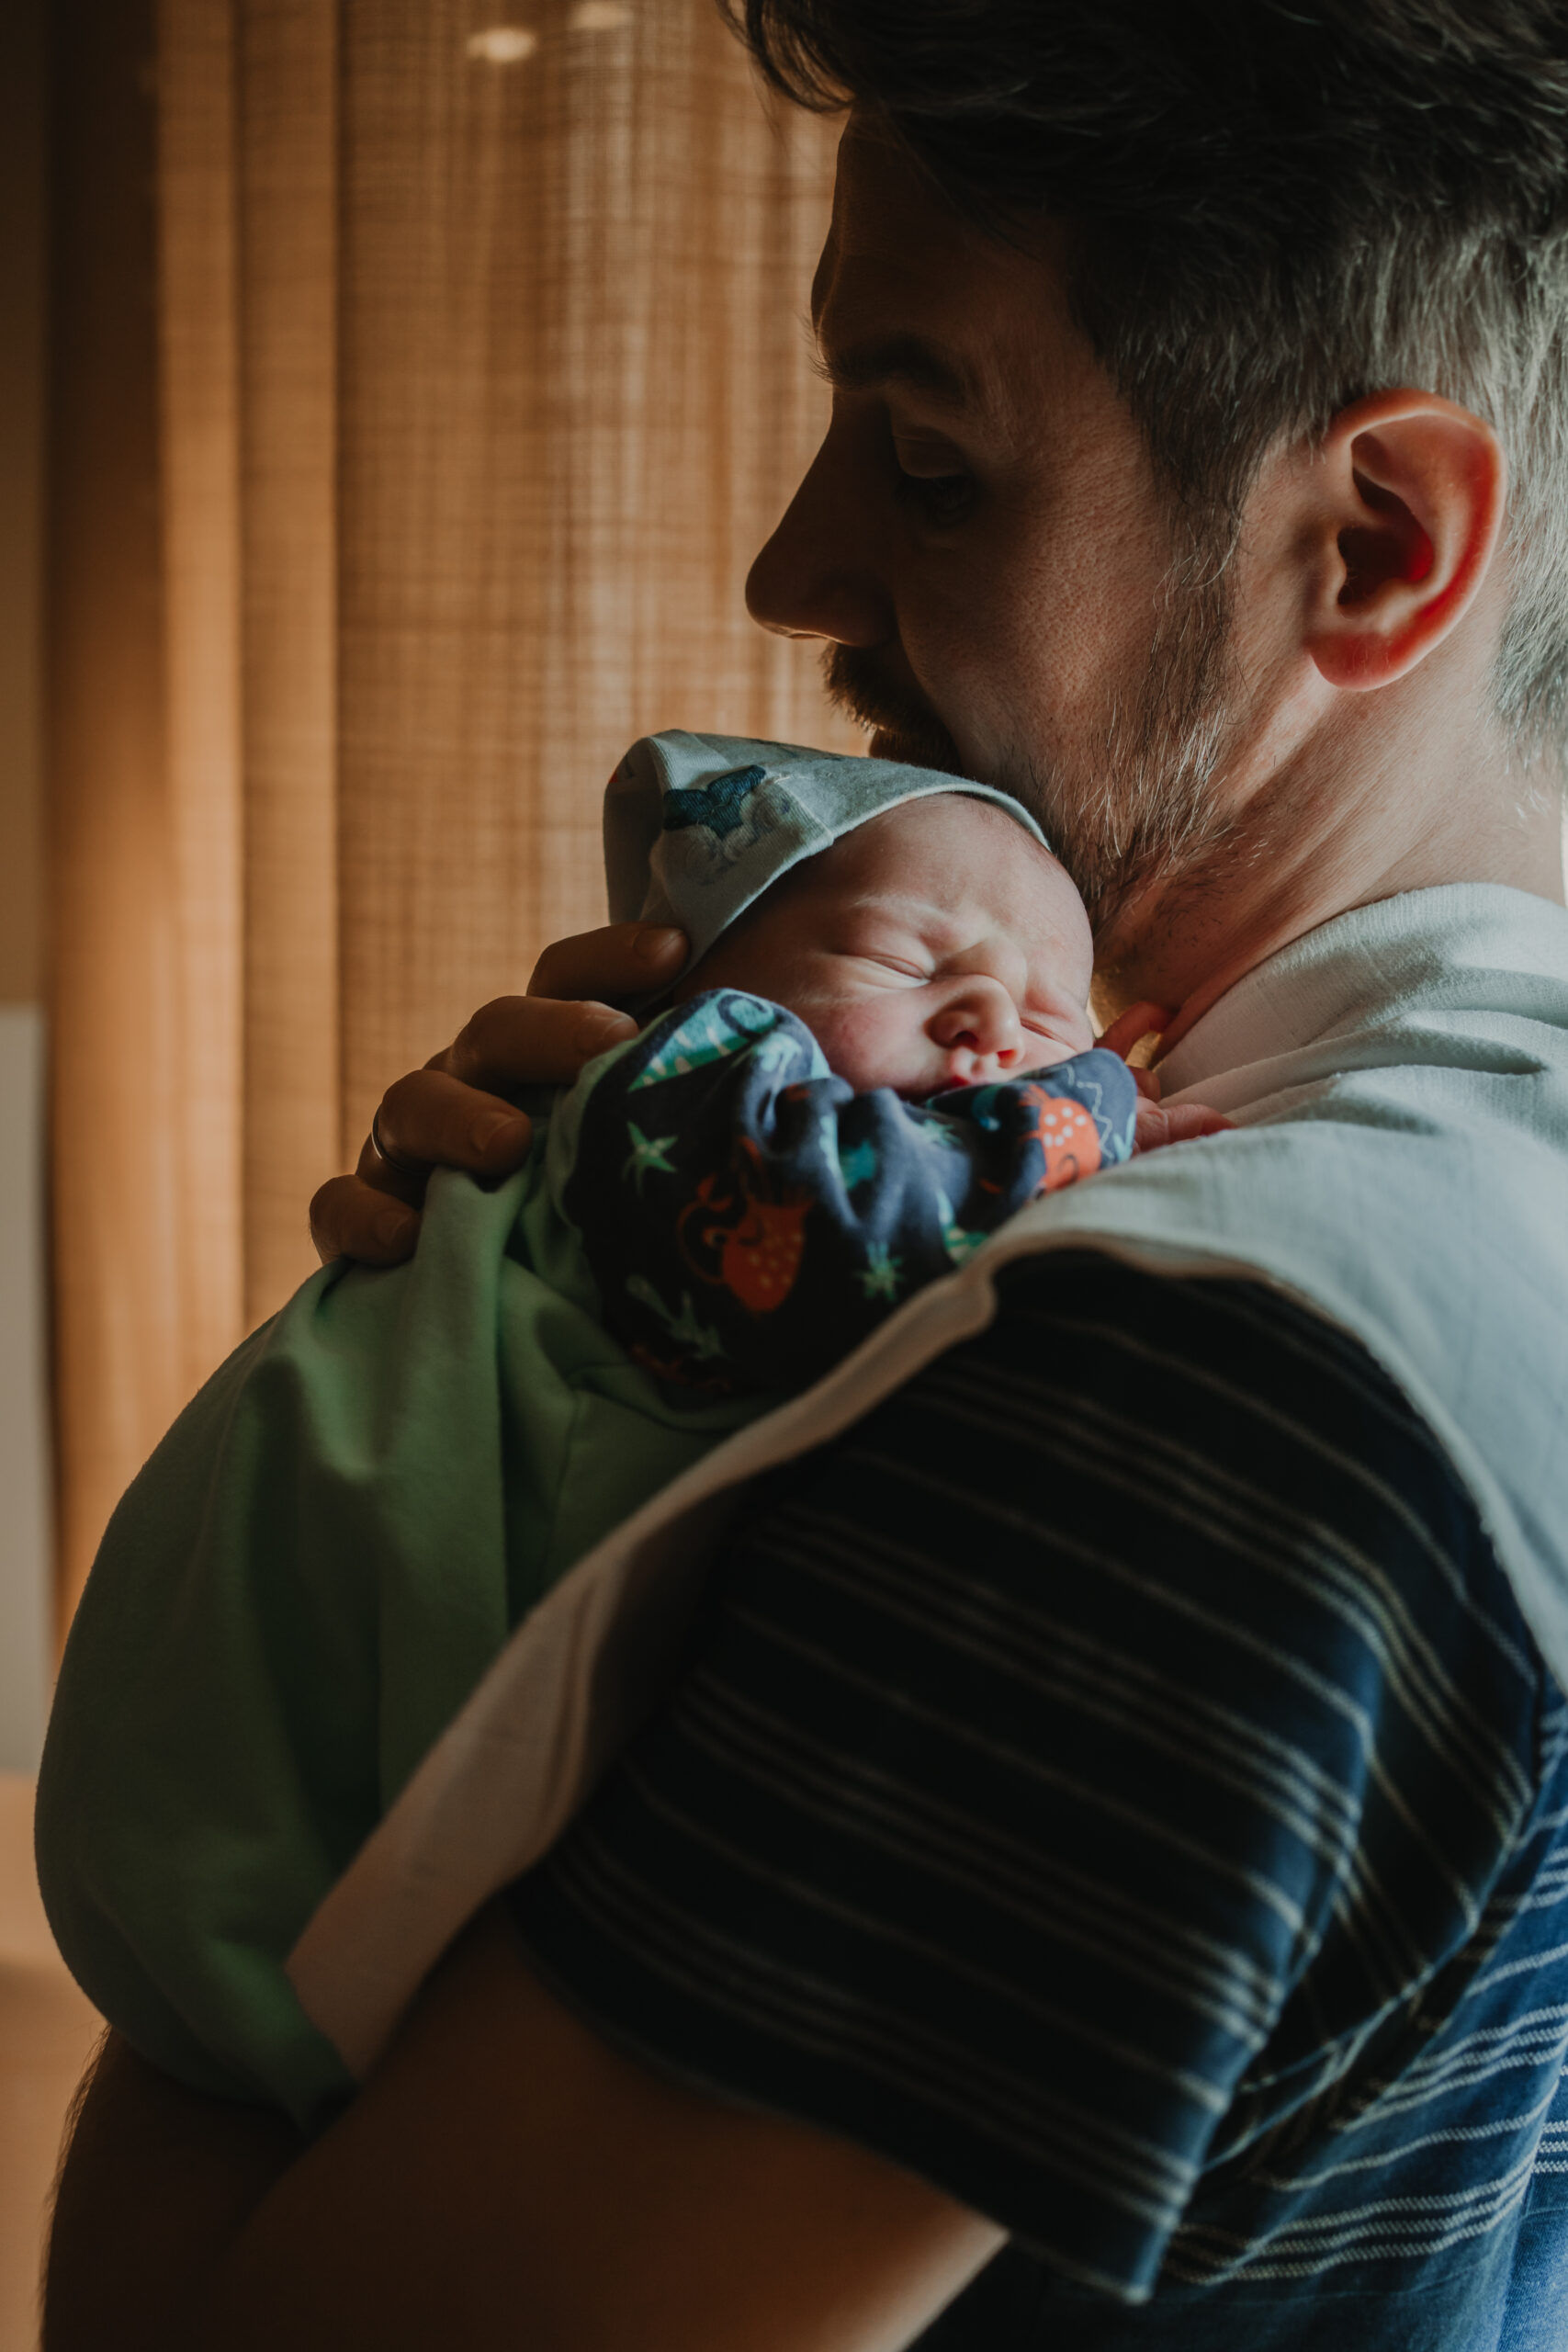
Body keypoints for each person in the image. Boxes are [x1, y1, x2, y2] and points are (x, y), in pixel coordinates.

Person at [41, 5, 1568, 2349]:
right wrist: (572, 1356)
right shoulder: (1401, 1201)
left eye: (927, 457)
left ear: (1367, 541)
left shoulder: (1185, 1401)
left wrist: (357, 1593)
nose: (791, 568)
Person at [39, 729, 1205, 2130]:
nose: (993, 1027)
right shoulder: (694, 1095)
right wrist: (1096, 1110)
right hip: (256, 1830)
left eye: (1053, 1012)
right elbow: (833, 1235)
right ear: (695, 986)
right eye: (910, 959)